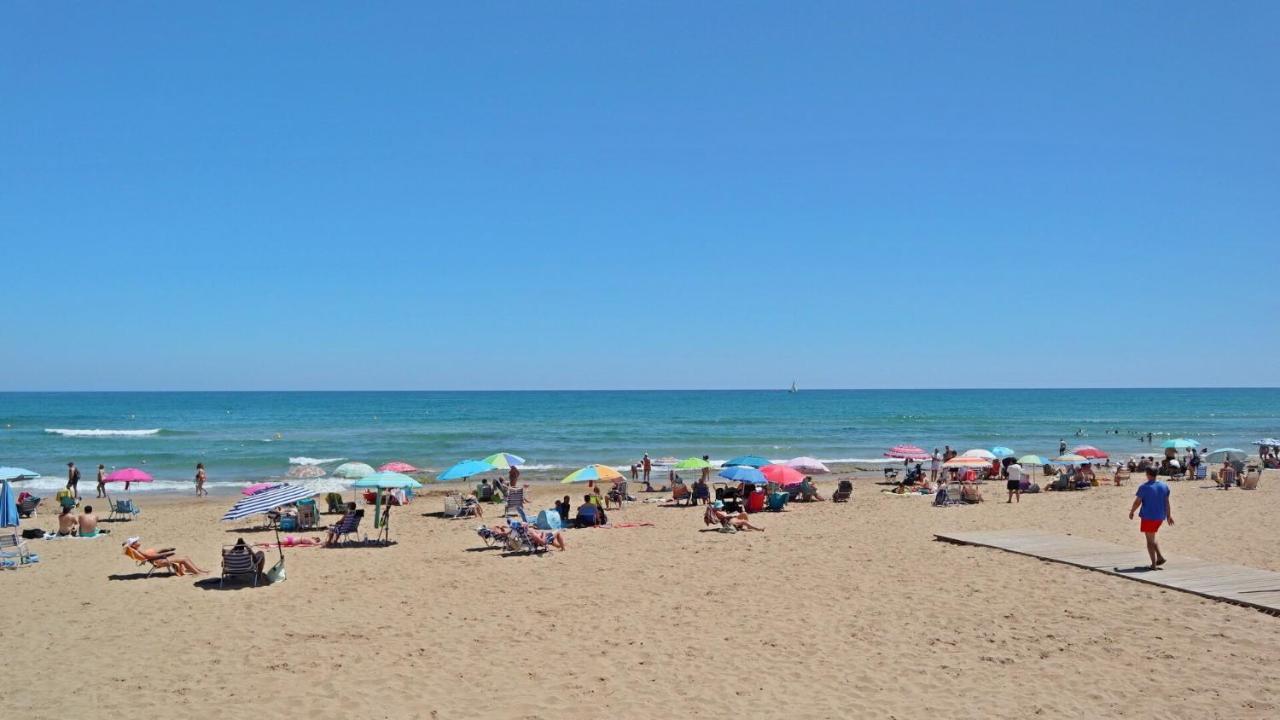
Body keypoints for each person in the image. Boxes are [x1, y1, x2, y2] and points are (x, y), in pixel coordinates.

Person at [1129, 468, 1173, 570]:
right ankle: (1160, 557)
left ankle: (1153, 564)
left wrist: (1132, 511)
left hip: (1148, 516)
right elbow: (1167, 502)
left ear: (1147, 474)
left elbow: (1137, 502)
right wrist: (1169, 516)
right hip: (1160, 517)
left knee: (1149, 541)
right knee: (1152, 536)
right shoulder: (1164, 486)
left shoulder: (1144, 487)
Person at [124, 538, 208, 575]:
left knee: (185, 556)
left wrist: (166, 549)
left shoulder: (139, 549)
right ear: (134, 545)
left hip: (159, 559)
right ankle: (198, 573)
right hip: (159, 561)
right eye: (136, 541)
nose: (138, 541)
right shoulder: (139, 550)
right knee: (184, 559)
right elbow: (151, 557)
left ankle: (198, 570)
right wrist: (166, 554)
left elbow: (154, 553)